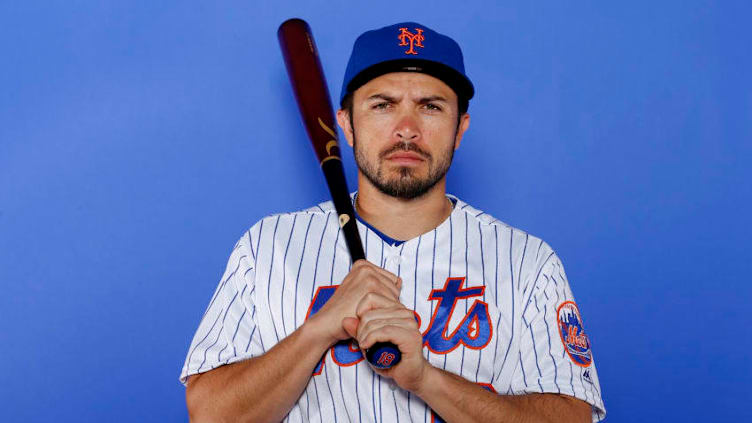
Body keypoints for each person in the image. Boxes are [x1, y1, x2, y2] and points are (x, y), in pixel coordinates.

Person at [180, 22, 606, 423]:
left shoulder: (527, 262)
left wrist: (426, 379)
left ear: (460, 129)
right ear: (345, 124)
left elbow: (570, 417)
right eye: (383, 105)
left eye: (431, 107)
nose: (407, 129)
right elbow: (210, 413)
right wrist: (318, 331)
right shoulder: (267, 247)